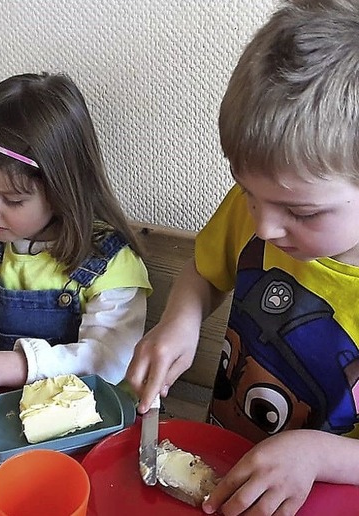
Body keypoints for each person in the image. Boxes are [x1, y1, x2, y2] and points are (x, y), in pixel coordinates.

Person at [125, 1, 359, 514]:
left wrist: (322, 456)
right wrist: (180, 322)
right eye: (248, 194)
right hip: (222, 458)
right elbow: (206, 272)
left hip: (316, 495)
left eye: (301, 211)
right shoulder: (259, 210)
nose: (264, 227)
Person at [0, 72, 152, 414]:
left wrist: (10, 366)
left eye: (11, 200)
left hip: (86, 423)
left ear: (62, 191)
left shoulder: (111, 264)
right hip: (6, 415)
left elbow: (108, 363)